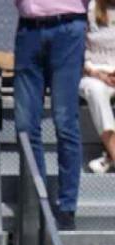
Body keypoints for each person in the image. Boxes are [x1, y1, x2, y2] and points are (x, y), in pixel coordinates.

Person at [16, 0, 88, 230]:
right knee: (25, 125)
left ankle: (66, 207)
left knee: (65, 121)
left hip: (67, 26)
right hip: (29, 28)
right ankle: (37, 204)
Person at [81, 0, 115, 173]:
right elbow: (77, 48)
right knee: (95, 90)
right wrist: (96, 73)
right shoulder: (89, 8)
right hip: (92, 73)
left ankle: (109, 157)